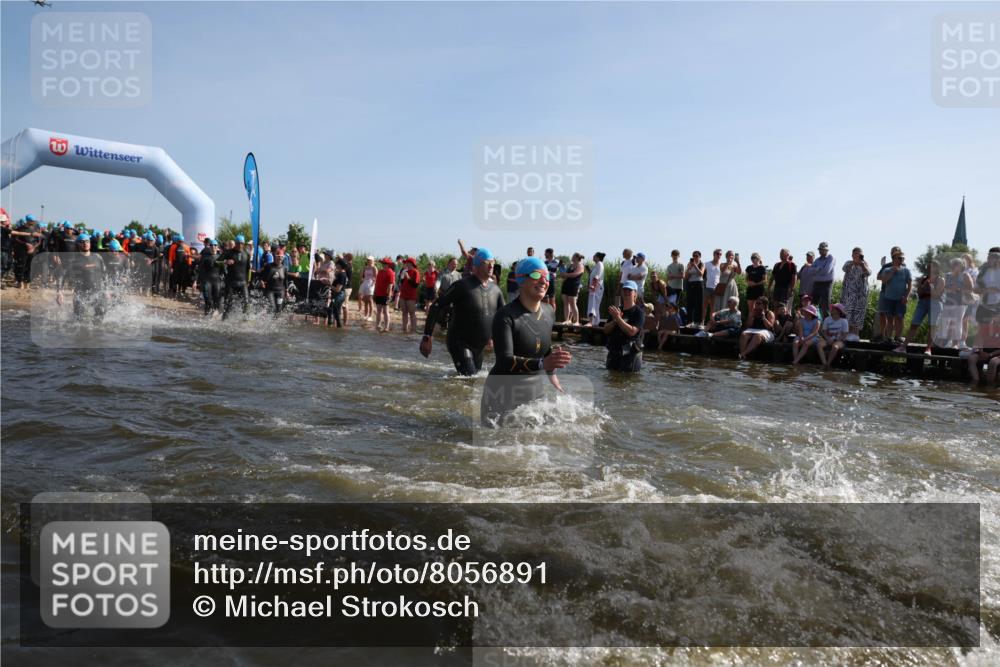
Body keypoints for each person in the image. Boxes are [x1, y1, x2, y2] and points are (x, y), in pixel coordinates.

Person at [481, 256, 571, 425]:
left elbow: (543, 346)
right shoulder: (506, 316)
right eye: (537, 276)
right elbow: (504, 360)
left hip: (534, 392)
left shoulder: (549, 311)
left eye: (547, 276)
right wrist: (542, 364)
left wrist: (552, 369)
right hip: (501, 395)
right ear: (521, 280)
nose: (544, 281)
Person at [420, 248, 504, 375]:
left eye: (493, 262)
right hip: (460, 342)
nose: (492, 265)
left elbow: (503, 317)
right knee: (468, 379)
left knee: (473, 379)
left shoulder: (496, 290)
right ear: (476, 265)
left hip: (479, 347)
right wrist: (427, 337)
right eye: (487, 262)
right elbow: (436, 306)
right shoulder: (462, 285)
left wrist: (493, 337)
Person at [56, 234, 108, 322]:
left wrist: (106, 290)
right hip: (81, 294)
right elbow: (62, 274)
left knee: (100, 316)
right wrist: (59, 292)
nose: (85, 244)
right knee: (79, 320)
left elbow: (105, 273)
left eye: (87, 241)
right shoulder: (72, 260)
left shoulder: (98, 257)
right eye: (82, 242)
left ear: (90, 243)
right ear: (77, 244)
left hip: (98, 292)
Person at [900, 260, 944, 354]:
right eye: (928, 268)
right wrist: (923, 286)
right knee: (914, 324)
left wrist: (931, 285)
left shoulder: (940, 279)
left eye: (931, 267)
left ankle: (928, 349)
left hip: (935, 304)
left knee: (932, 327)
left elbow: (937, 295)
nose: (929, 269)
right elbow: (919, 294)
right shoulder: (923, 279)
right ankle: (903, 347)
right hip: (923, 302)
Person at [604, 280, 645, 372]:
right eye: (624, 290)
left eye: (629, 290)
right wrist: (614, 321)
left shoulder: (639, 312)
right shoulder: (617, 310)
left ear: (635, 294)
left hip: (630, 353)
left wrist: (618, 319)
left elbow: (632, 332)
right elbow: (606, 330)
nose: (626, 292)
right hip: (614, 351)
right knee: (611, 378)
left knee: (628, 380)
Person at [875, 250, 913, 345]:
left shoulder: (906, 270)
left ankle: (898, 337)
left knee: (900, 318)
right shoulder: (887, 269)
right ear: (894, 259)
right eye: (899, 258)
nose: (902, 260)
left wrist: (906, 296)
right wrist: (892, 272)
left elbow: (910, 284)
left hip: (901, 299)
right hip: (888, 298)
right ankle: (888, 338)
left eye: (903, 258)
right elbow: (883, 281)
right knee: (890, 319)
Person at [938, 257, 974, 349]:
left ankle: (955, 344)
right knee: (945, 323)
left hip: (960, 303)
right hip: (947, 302)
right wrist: (949, 289)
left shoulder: (965, 275)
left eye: (959, 265)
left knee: (957, 323)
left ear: (962, 266)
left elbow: (971, 289)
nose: (956, 266)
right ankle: (944, 343)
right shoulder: (947, 275)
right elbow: (943, 288)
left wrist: (959, 289)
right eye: (955, 264)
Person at [841, 247, 871, 338]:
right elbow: (844, 269)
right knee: (848, 313)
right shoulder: (849, 263)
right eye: (856, 254)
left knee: (859, 313)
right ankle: (847, 335)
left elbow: (869, 273)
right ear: (853, 255)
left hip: (861, 295)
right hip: (849, 294)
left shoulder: (865, 264)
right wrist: (854, 262)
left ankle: (855, 336)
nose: (859, 256)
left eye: (860, 254)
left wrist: (862, 264)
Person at [220, 235, 252, 320]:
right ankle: (224, 321)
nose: (240, 245)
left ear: (243, 244)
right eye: (238, 243)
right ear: (236, 243)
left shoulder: (246, 253)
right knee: (228, 304)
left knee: (246, 303)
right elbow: (216, 262)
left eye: (241, 243)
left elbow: (249, 269)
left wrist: (248, 281)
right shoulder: (229, 252)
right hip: (231, 283)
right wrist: (226, 261)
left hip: (243, 283)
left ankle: (245, 320)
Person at [818, 303, 850, 369]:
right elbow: (823, 331)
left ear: (838, 311)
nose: (831, 309)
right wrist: (827, 338)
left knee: (835, 347)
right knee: (819, 345)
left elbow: (845, 334)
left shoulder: (844, 321)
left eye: (834, 308)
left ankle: (828, 364)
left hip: (840, 340)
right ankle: (824, 363)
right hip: (827, 339)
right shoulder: (827, 319)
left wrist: (836, 340)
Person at [197, 239, 224, 316]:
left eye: (215, 245)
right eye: (211, 245)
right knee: (208, 300)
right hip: (207, 281)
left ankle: (216, 316)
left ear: (217, 247)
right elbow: (200, 270)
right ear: (209, 247)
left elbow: (224, 271)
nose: (213, 247)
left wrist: (225, 281)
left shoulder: (220, 258)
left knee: (217, 301)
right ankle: (206, 317)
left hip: (217, 282)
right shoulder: (205, 258)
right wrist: (196, 281)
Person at [260, 248, 288, 317]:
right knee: (272, 308)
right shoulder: (268, 266)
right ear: (275, 256)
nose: (280, 258)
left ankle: (275, 325)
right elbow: (261, 275)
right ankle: (268, 323)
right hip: (270, 291)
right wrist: (261, 281)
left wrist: (287, 291)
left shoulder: (284, 268)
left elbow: (286, 281)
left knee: (279, 310)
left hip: (280, 292)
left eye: (281, 257)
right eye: (278, 256)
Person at [712, 250, 742, 315]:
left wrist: (738, 262)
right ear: (726, 256)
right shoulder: (722, 264)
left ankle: (732, 317)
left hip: (732, 286)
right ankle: (720, 317)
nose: (731, 257)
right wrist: (728, 262)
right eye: (729, 255)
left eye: (732, 255)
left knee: (732, 301)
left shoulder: (734, 266)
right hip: (723, 286)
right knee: (722, 301)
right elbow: (722, 270)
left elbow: (739, 272)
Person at [559, 252, 585, 325]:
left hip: (574, 285)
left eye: (573, 256)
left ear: (576, 257)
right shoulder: (570, 265)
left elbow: (575, 274)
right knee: (566, 303)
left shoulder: (580, 265)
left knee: (573, 304)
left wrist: (565, 274)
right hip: (566, 285)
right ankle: (567, 320)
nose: (571, 257)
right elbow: (565, 275)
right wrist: (562, 275)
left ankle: (577, 321)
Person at [812, 242, 836, 318]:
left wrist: (817, 269)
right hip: (817, 283)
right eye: (820, 249)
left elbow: (827, 271)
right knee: (814, 304)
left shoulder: (831, 258)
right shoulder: (817, 260)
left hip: (827, 283)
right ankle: (815, 322)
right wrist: (820, 269)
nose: (821, 251)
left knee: (825, 305)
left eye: (823, 249)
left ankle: (826, 324)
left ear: (826, 250)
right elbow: (811, 271)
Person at [398, 256, 420, 333]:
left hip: (411, 295)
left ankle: (413, 330)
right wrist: (403, 278)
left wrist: (408, 277)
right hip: (403, 294)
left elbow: (415, 285)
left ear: (411, 263)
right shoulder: (404, 271)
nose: (405, 264)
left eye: (407, 262)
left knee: (412, 313)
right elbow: (402, 282)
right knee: (404, 312)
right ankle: (404, 329)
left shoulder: (415, 271)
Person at [373, 257, 395, 332]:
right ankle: (378, 325)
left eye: (385, 263)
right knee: (378, 310)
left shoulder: (390, 272)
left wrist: (389, 295)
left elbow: (391, 284)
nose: (384, 265)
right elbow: (377, 283)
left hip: (385, 294)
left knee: (385, 311)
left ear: (388, 264)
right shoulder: (380, 271)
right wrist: (375, 292)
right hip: (378, 293)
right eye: (383, 263)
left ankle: (386, 327)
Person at [702, 249, 723, 325]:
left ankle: (711, 322)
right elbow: (702, 273)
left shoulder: (721, 265)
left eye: (720, 254)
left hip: (716, 288)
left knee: (713, 307)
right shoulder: (707, 264)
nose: (719, 255)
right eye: (717, 253)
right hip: (708, 286)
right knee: (705, 306)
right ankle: (702, 322)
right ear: (714, 254)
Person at [327, 258, 350, 327]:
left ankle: (336, 326)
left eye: (336, 264)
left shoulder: (342, 275)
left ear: (339, 265)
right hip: (338, 295)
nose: (335, 265)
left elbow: (338, 289)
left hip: (339, 295)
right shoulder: (340, 274)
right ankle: (333, 326)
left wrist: (329, 285)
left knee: (333, 311)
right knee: (332, 311)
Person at [685, 251, 705, 325]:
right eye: (694, 256)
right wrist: (689, 267)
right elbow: (686, 276)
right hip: (690, 284)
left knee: (698, 303)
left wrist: (695, 265)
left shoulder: (702, 264)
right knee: (690, 302)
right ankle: (689, 321)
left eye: (696, 256)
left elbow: (701, 274)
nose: (695, 257)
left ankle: (698, 321)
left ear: (699, 256)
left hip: (699, 284)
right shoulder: (689, 264)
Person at [586, 251, 606, 327]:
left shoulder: (600, 264)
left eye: (594, 255)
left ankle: (591, 322)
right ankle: (595, 322)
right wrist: (588, 270)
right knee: (594, 304)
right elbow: (593, 274)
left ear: (597, 257)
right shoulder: (597, 265)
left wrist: (593, 286)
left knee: (593, 304)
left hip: (596, 288)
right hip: (595, 287)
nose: (593, 256)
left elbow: (597, 276)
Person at [358, 255, 377, 320]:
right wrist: (362, 279)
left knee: (370, 300)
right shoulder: (365, 267)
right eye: (368, 260)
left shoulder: (374, 268)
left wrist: (373, 283)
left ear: (372, 261)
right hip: (365, 283)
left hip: (371, 283)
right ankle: (366, 315)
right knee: (365, 300)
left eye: (370, 260)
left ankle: (370, 316)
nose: (368, 261)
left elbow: (376, 277)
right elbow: (361, 276)